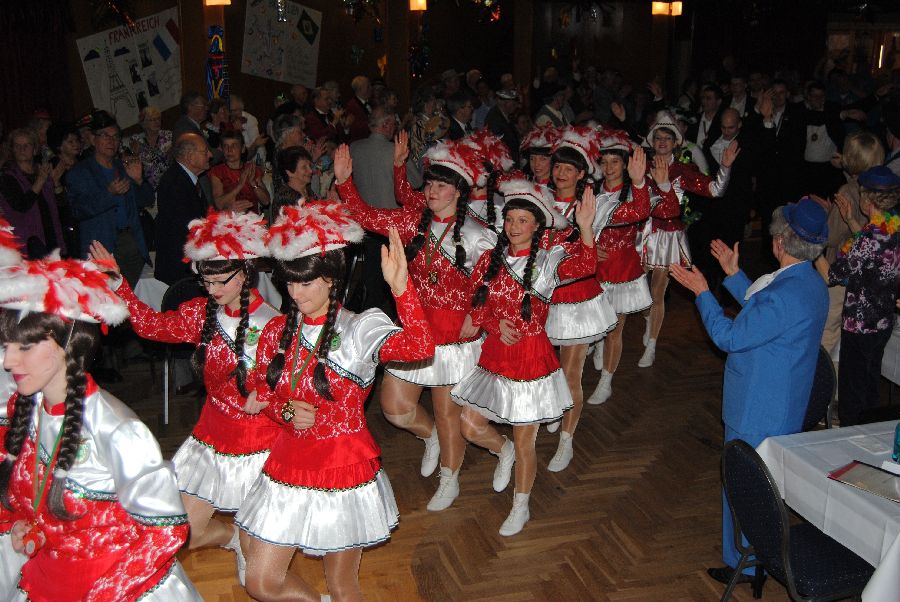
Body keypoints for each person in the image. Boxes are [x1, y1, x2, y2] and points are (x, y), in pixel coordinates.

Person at [236, 204, 435, 601]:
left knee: (342, 586)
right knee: (260, 582)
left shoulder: (360, 328)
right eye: (290, 283)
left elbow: (420, 347)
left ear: (331, 279)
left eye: (306, 283)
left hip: (343, 468)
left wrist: (402, 290)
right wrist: (286, 411)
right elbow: (261, 392)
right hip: (288, 462)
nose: (296, 294)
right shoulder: (275, 330)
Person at [90, 210, 279, 585]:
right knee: (182, 533)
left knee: (258, 577)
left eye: (220, 280)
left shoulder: (272, 322)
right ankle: (231, 538)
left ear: (245, 272)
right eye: (205, 280)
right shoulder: (200, 314)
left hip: (259, 444)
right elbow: (151, 326)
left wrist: (268, 392)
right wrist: (120, 286)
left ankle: (250, 545)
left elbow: (294, 382)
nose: (212, 289)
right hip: (211, 435)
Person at [0, 255, 201, 600]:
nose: (8, 361)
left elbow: (166, 532)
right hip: (47, 579)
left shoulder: (117, 429)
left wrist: (104, 594)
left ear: (68, 344)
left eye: (25, 347)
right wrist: (27, 524)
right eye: (6, 346)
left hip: (117, 586)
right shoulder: (23, 408)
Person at [669, 197, 829, 590]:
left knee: (744, 488)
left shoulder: (782, 293)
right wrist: (734, 274)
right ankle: (755, 557)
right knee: (763, 488)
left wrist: (703, 292)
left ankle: (746, 561)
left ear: (779, 242)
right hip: (785, 400)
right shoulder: (810, 283)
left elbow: (730, 337)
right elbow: (766, 317)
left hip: (757, 406)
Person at [335, 142, 497, 513]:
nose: (432, 191)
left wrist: (477, 315)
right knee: (394, 407)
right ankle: (431, 438)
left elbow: (491, 283)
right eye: (429, 184)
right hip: (416, 329)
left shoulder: (478, 235)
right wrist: (345, 183)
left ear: (459, 191)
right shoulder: (413, 222)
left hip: (454, 339)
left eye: (441, 185)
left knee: (447, 413)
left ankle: (450, 477)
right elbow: (366, 215)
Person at [452, 178, 596, 535]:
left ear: (536, 226)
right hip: (495, 355)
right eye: (509, 219)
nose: (513, 226)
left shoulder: (548, 262)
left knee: (525, 440)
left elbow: (586, 266)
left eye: (522, 220)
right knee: (469, 425)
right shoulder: (489, 259)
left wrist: (586, 228)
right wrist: (493, 323)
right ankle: (502, 451)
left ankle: (521, 505)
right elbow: (476, 304)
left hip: (532, 359)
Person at [638, 111, 736, 368]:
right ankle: (647, 319)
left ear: (675, 143)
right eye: (658, 138)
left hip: (669, 236)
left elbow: (715, 190)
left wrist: (725, 168)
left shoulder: (682, 170)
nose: (662, 142)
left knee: (658, 292)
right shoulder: (643, 167)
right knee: (635, 286)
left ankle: (652, 344)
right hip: (644, 233)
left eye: (667, 138)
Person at [828, 167, 900, 425]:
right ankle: (870, 432)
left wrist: (814, 250)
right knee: (870, 383)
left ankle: (853, 434)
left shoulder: (868, 238)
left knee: (852, 391)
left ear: (867, 200)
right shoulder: (893, 227)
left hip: (859, 325)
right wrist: (851, 221)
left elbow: (836, 274)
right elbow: (872, 253)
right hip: (883, 321)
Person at [817, 131, 884, 360]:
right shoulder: (882, 190)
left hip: (842, 272)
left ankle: (824, 380)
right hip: (868, 276)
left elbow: (831, 237)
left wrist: (829, 214)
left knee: (828, 333)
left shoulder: (848, 191)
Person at [66, 111, 153, 285]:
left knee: (135, 294)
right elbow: (77, 210)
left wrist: (139, 180)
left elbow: (147, 200)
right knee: (110, 297)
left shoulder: (123, 167)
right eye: (105, 136)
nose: (111, 141)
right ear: (93, 139)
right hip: (102, 246)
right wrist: (109, 194)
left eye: (115, 137)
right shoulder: (80, 172)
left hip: (131, 242)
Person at [350, 106, 399, 315]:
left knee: (371, 272)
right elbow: (414, 181)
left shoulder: (354, 148)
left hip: (362, 222)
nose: (395, 129)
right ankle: (381, 314)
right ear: (386, 125)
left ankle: (368, 310)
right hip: (389, 224)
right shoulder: (394, 150)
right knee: (389, 273)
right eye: (394, 124)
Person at [155, 133, 212, 285]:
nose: (210, 155)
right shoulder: (174, 182)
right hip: (180, 267)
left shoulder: (187, 178)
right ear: (189, 157)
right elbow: (187, 225)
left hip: (187, 262)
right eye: (205, 152)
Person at [0, 128, 67, 259]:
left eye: (27, 145)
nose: (22, 149)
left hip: (51, 237)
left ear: (35, 149)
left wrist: (56, 183)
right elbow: (21, 205)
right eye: (17, 145)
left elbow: (62, 205)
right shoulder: (7, 176)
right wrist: (40, 181)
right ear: (12, 150)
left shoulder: (42, 170)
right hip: (26, 242)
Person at [209, 130, 270, 213]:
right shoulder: (217, 171)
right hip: (229, 218)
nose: (229, 150)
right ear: (222, 149)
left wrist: (253, 184)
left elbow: (266, 201)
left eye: (234, 146)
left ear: (243, 149)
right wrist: (240, 185)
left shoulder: (251, 169)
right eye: (226, 146)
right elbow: (219, 205)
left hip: (252, 218)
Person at [127, 106, 173, 190]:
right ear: (143, 123)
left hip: (170, 180)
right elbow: (132, 161)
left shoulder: (168, 136)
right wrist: (135, 153)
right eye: (152, 120)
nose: (157, 122)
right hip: (149, 185)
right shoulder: (136, 140)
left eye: (158, 119)